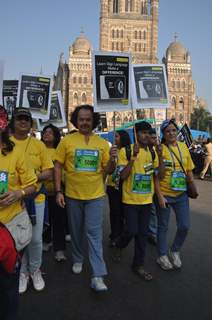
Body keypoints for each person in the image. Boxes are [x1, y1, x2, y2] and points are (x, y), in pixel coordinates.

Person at [54, 104, 117, 292]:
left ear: (93, 121)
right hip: (73, 195)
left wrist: (113, 160)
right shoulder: (67, 141)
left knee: (94, 234)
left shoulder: (101, 143)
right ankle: (78, 258)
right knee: (75, 231)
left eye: (88, 119)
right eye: (81, 119)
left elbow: (108, 170)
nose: (84, 122)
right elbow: (57, 166)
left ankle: (98, 275)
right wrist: (58, 191)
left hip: (96, 196)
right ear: (76, 120)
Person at [10, 108, 53, 293]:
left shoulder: (39, 145)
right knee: (19, 240)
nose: (23, 122)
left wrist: (31, 177)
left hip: (36, 198)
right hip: (12, 201)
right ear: (12, 122)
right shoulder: (5, 144)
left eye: (26, 119)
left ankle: (35, 270)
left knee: (35, 239)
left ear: (31, 123)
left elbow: (49, 171)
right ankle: (23, 272)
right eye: (19, 118)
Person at [115, 121, 164, 281]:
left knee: (142, 235)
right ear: (136, 134)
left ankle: (138, 265)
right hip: (129, 200)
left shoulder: (152, 153)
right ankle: (120, 244)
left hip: (146, 201)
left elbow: (159, 175)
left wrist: (161, 155)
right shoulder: (126, 151)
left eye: (148, 133)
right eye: (142, 132)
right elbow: (122, 176)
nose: (145, 136)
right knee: (131, 230)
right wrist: (133, 157)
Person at [0, 106, 36, 320]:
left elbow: (32, 185)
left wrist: (18, 193)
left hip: (11, 230)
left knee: (7, 283)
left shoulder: (16, 152)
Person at [154, 119, 196, 270]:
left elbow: (189, 169)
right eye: (167, 131)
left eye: (173, 130)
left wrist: (191, 183)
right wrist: (159, 196)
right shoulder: (160, 149)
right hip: (165, 193)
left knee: (184, 225)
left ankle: (175, 250)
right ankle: (162, 255)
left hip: (181, 194)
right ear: (163, 134)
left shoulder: (183, 147)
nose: (171, 133)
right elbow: (157, 176)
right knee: (163, 227)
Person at [41, 124, 67, 261]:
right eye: (45, 132)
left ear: (56, 136)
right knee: (44, 221)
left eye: (50, 132)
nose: (46, 134)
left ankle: (60, 250)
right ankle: (46, 241)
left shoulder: (60, 150)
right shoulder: (38, 150)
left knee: (58, 222)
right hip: (40, 194)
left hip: (58, 193)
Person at [106, 130, 131, 249]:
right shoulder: (113, 150)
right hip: (112, 186)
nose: (114, 138)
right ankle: (114, 235)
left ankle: (121, 235)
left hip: (123, 185)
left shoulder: (127, 151)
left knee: (122, 213)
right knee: (114, 212)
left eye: (117, 136)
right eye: (114, 136)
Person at [147, 128, 158, 245]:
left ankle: (152, 233)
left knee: (153, 212)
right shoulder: (140, 150)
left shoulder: (157, 151)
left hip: (156, 187)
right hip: (144, 188)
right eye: (153, 138)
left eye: (156, 138)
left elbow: (157, 171)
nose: (155, 140)